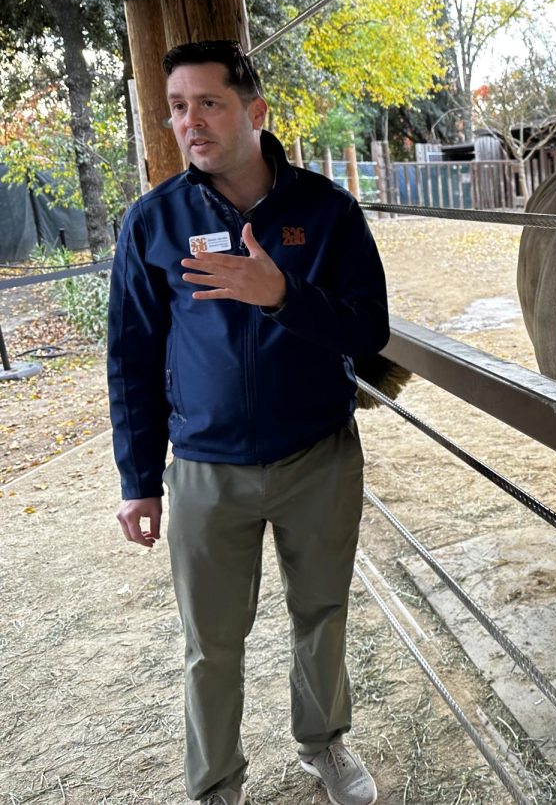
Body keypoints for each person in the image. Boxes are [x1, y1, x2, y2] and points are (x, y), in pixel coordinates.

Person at [108, 39, 388, 805]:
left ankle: (323, 746)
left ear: (255, 113)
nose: (189, 122)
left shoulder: (327, 213)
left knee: (322, 612)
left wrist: (282, 295)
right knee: (211, 643)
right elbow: (130, 357)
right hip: (204, 469)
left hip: (317, 456)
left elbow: (369, 331)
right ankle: (216, 783)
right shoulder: (153, 224)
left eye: (209, 103)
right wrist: (139, 481)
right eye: (175, 107)